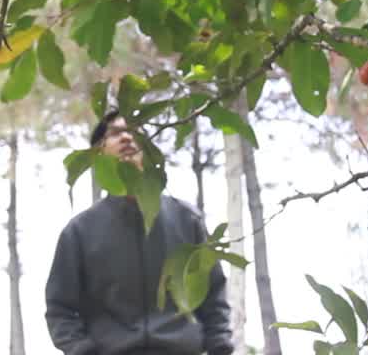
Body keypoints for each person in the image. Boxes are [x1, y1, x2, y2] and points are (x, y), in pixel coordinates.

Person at [45, 110, 235, 355]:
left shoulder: (187, 219)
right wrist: (82, 350)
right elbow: (60, 308)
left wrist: (220, 346)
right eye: (115, 133)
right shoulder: (79, 232)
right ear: (98, 153)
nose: (127, 138)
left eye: (135, 132)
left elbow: (214, 294)